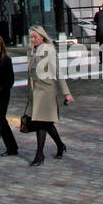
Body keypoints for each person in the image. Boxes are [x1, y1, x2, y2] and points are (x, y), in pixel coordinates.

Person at [22, 25, 73, 167]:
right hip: (34, 90)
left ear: (42, 37)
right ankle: (60, 145)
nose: (33, 40)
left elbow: (57, 72)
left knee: (40, 123)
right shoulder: (31, 50)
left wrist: (66, 93)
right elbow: (30, 72)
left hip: (46, 90)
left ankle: (39, 154)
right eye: (31, 37)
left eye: (35, 37)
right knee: (46, 123)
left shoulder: (48, 50)